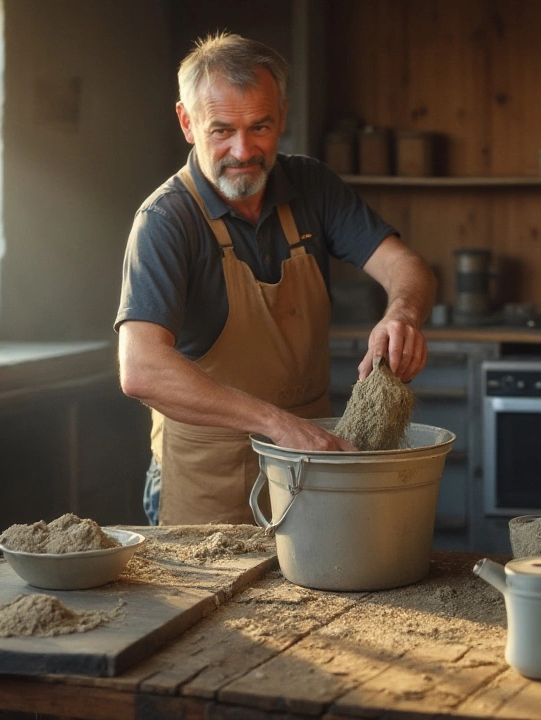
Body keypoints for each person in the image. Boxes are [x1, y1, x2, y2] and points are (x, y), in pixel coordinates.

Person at [115, 32, 436, 526]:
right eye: (222, 130)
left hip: (312, 470)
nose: (243, 151)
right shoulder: (165, 220)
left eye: (260, 127)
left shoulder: (312, 186)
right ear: (186, 122)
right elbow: (141, 368)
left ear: (283, 115)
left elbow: (404, 266)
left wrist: (402, 315)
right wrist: (277, 425)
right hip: (208, 482)